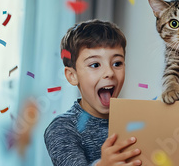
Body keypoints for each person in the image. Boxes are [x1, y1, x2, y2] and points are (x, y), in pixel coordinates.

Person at [44, 19, 142, 166]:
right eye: (95, 65)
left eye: (117, 63)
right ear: (72, 75)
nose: (109, 72)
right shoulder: (63, 127)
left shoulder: (138, 120)